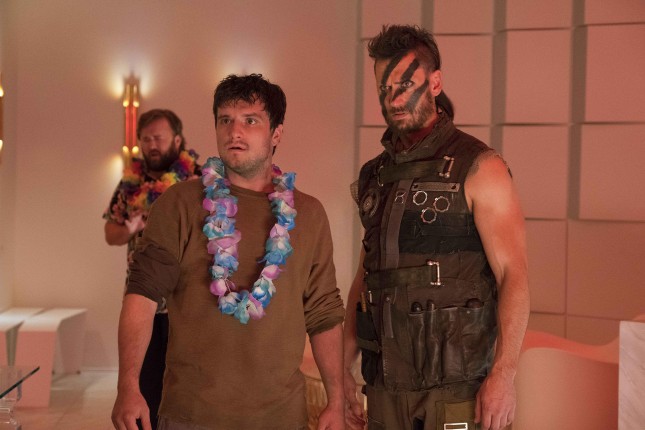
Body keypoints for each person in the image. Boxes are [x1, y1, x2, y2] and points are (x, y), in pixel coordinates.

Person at [111, 74, 346, 430]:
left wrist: (337, 399)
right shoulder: (179, 203)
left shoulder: (309, 214)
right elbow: (142, 294)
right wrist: (128, 386)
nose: (235, 131)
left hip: (281, 417)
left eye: (250, 120)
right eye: (225, 120)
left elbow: (324, 312)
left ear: (276, 134)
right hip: (191, 416)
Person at [343, 25, 530, 430]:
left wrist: (504, 375)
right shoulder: (375, 175)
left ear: (435, 82)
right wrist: (342, 371)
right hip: (385, 386)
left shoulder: (481, 166)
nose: (394, 99)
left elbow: (513, 275)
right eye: (384, 88)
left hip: (459, 389)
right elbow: (365, 277)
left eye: (405, 84)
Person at [104, 108, 201, 430]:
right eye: (145, 139)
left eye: (158, 138)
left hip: (187, 302)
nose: (152, 145)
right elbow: (110, 234)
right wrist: (130, 228)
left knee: (185, 389)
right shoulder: (130, 184)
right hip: (142, 301)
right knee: (145, 387)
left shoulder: (198, 180)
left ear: (178, 140)